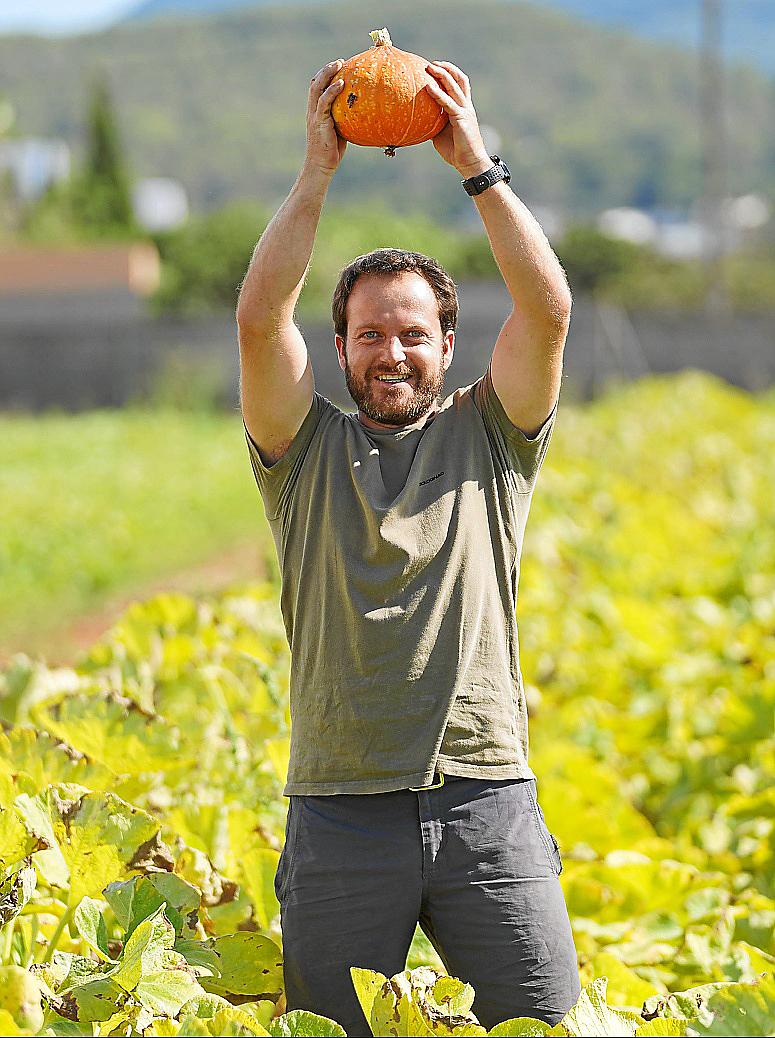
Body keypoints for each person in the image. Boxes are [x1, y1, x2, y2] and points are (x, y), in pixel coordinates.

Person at [236, 56, 580, 1035]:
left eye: (414, 334)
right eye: (369, 334)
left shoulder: (491, 436)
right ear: (338, 349)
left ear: (447, 345)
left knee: (543, 1024)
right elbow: (260, 321)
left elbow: (548, 310)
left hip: (486, 804)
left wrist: (471, 158)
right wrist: (316, 173)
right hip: (342, 812)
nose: (392, 352)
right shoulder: (301, 455)